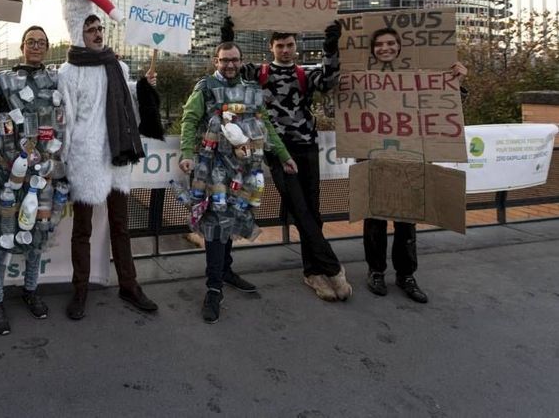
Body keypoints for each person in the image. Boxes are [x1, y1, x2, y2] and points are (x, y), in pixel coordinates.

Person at [57, 0, 165, 320]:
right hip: (86, 159)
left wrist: (143, 87)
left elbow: (128, 104)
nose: (97, 33)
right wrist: (64, 163)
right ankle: (80, 290)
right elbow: (67, 121)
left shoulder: (117, 66)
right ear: (79, 33)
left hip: (118, 155)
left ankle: (129, 285)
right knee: (83, 230)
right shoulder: (68, 71)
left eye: (99, 28)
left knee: (121, 224)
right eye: (90, 29)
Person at [225, 18, 352, 302]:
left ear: (296, 47)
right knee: (298, 206)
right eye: (280, 45)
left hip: (307, 145)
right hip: (277, 149)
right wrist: (228, 36)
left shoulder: (305, 73)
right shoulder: (258, 72)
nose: (285, 49)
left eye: (290, 45)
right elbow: (228, 71)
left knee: (312, 209)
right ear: (271, 47)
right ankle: (331, 267)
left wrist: (331, 45)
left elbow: (330, 80)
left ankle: (313, 271)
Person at [178, 39, 295, 322]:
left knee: (233, 220)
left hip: (244, 169)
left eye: (234, 60)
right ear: (216, 61)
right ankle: (213, 287)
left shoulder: (253, 91)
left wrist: (283, 155)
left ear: (241, 61)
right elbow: (190, 120)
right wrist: (186, 152)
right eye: (224, 60)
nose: (229, 64)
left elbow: (265, 125)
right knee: (216, 225)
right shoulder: (204, 88)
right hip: (214, 168)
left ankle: (226, 270)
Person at [362, 28, 468, 303]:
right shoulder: (361, 79)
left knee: (406, 220)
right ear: (373, 50)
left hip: (410, 156)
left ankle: (406, 274)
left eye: (390, 43)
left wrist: (456, 81)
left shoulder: (418, 76)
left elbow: (444, 107)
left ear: (399, 47)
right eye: (380, 44)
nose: (385, 48)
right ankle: (376, 271)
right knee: (374, 217)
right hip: (375, 155)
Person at [0, 25, 66, 335]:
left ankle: (30, 290)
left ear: (47, 47)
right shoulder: (4, 80)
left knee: (37, 235)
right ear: (22, 46)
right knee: (2, 238)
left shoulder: (56, 79)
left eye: (41, 42)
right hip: (7, 172)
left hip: (41, 173)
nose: (36, 46)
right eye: (31, 41)